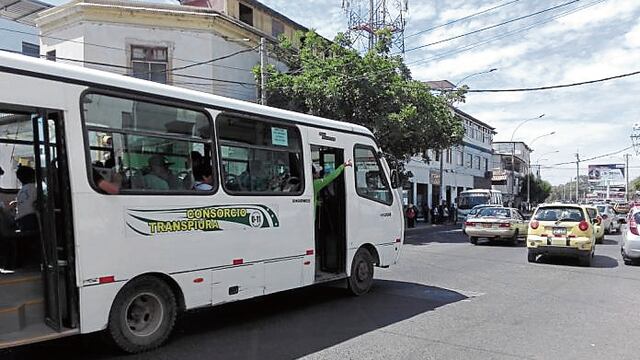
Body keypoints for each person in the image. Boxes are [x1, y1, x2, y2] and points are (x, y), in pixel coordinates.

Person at [10, 166, 38, 233]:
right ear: (33, 177)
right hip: (32, 220)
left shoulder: (20, 192)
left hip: (20, 221)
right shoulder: (35, 188)